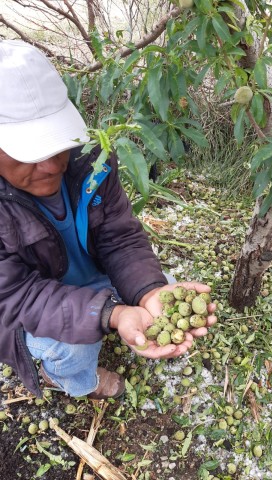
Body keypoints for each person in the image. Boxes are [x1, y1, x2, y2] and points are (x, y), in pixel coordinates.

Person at [0, 40, 216, 399]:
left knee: (164, 291)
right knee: (72, 348)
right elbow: (14, 295)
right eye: (31, 153)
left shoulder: (90, 159)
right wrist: (110, 314)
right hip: (26, 304)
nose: (52, 165)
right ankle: (71, 380)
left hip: (88, 277)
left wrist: (146, 291)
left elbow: (119, 236)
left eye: (57, 144)